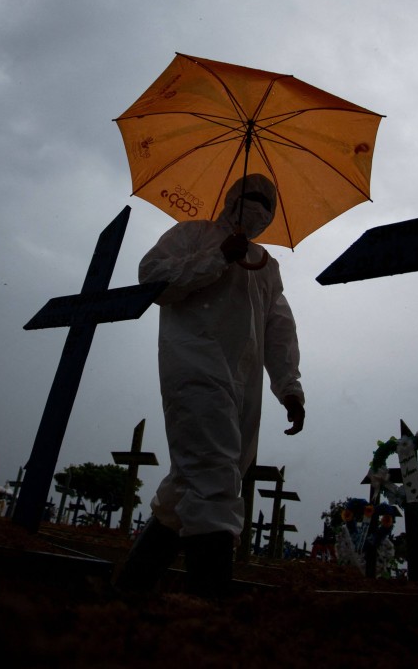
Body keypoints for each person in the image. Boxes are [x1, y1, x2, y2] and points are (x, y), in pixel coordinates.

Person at [114, 174, 305, 598]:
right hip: (194, 364)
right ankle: (210, 608)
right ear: (232, 198)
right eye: (251, 198)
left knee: (193, 482)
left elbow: (279, 329)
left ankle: (130, 590)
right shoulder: (191, 235)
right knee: (215, 475)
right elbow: (154, 280)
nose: (258, 208)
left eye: (267, 205)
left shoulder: (266, 265)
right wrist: (218, 256)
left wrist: (289, 386)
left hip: (244, 381)